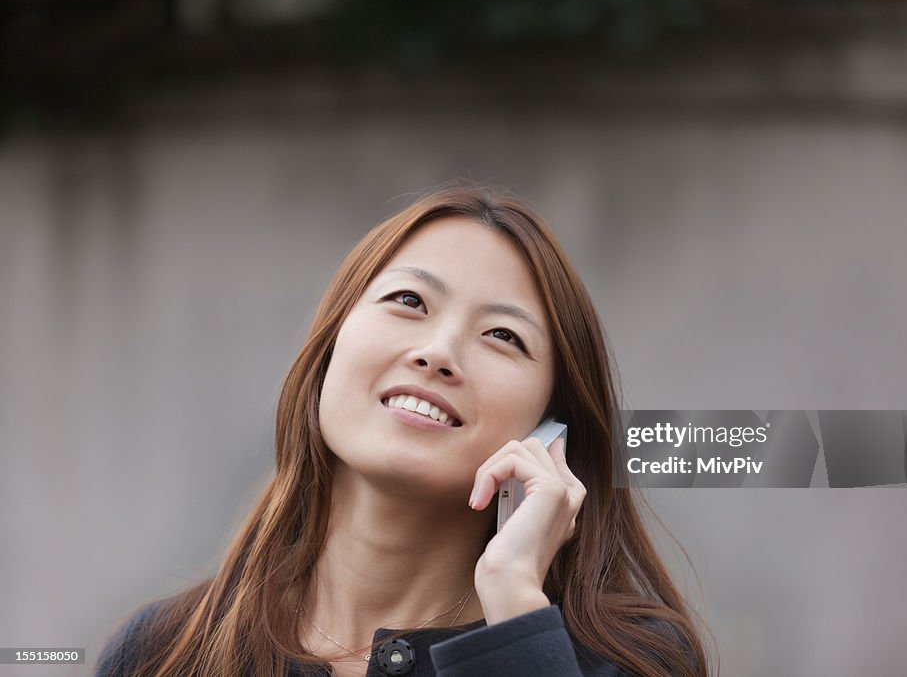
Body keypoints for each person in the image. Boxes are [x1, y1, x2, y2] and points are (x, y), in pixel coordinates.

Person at [96, 185, 714, 677]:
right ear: (330, 348)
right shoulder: (163, 652)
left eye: (503, 336)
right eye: (409, 302)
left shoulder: (631, 661)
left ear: (551, 430)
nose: (438, 351)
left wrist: (515, 607)